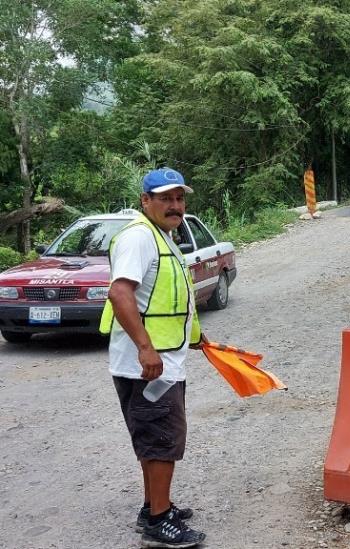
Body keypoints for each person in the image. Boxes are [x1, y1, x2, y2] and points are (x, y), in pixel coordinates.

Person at [100, 167, 205, 548]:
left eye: (179, 199)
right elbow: (120, 294)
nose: (175, 206)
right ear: (145, 201)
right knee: (162, 440)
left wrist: (194, 336)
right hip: (146, 365)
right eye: (166, 199)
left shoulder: (161, 236)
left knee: (154, 438)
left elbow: (166, 297)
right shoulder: (139, 238)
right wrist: (146, 347)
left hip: (162, 359)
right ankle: (159, 521)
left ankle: (155, 505)